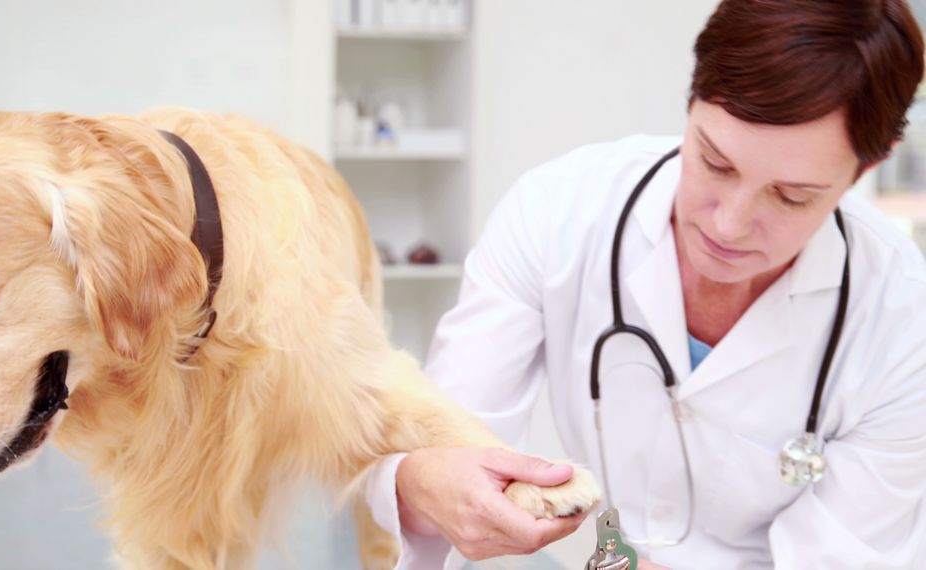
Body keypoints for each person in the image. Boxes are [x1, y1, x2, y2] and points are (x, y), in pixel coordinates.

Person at [362, 0, 926, 568]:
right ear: (691, 102)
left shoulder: (901, 318)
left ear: (868, 168)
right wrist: (418, 480)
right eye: (714, 161)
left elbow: (844, 557)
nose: (727, 224)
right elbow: (446, 443)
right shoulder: (560, 213)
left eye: (791, 196)